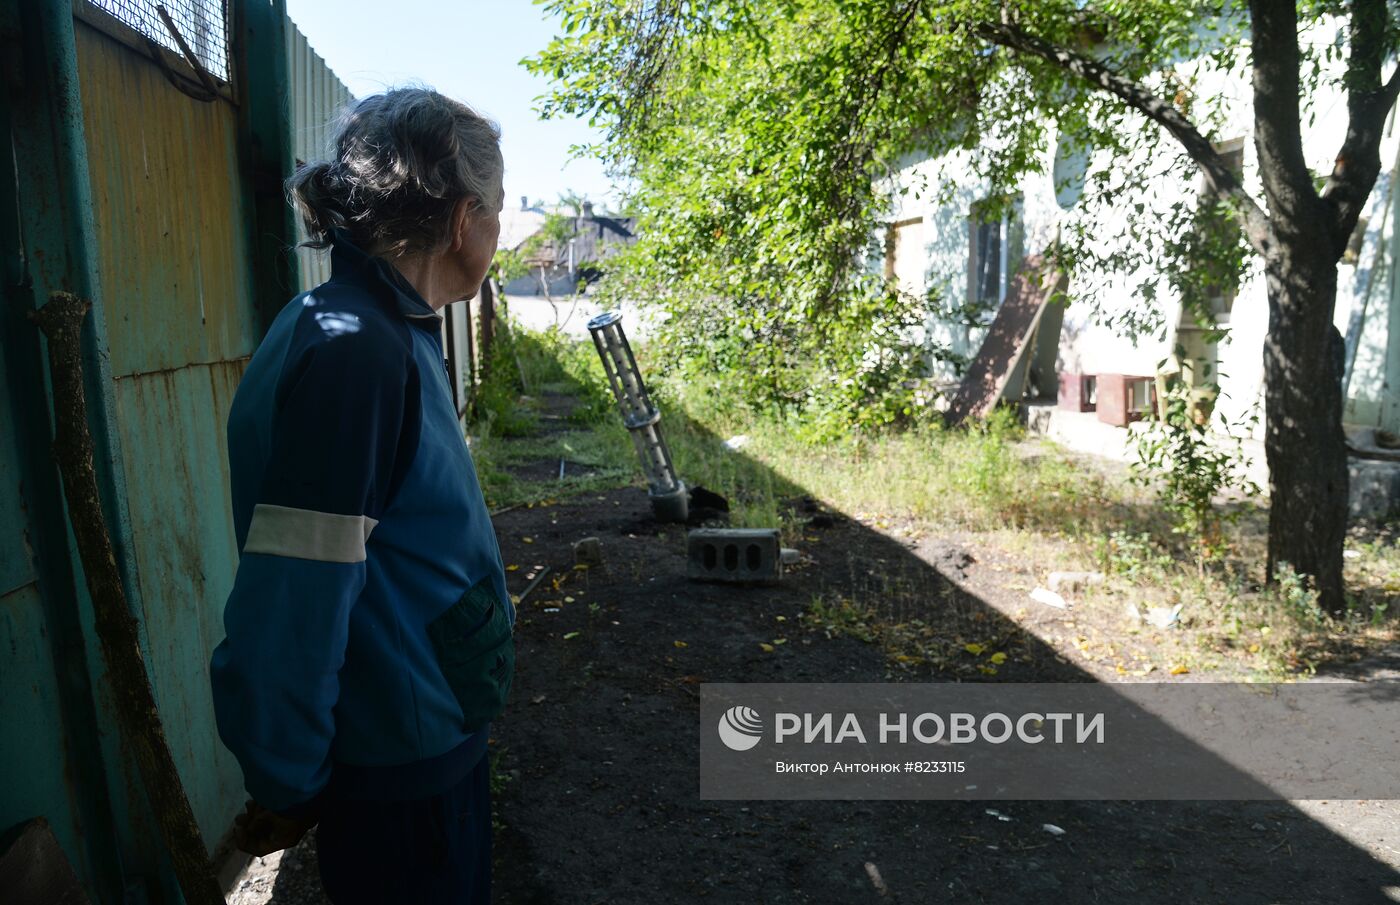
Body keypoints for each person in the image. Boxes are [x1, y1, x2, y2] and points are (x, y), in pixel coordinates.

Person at [209, 87, 514, 904]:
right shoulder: (358, 357)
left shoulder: (367, 325)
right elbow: (290, 603)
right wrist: (290, 779)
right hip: (403, 783)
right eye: (499, 210)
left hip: (411, 746)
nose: (498, 233)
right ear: (461, 221)